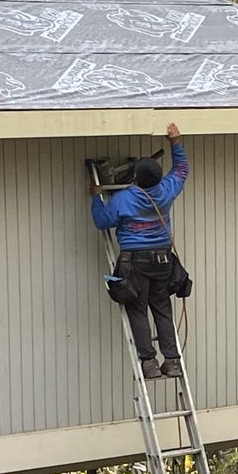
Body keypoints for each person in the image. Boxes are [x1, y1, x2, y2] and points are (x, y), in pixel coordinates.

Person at [90, 122, 188, 379]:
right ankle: (172, 361)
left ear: (135, 178)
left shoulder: (123, 199)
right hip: (163, 261)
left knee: (137, 308)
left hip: (135, 262)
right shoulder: (166, 191)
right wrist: (175, 142)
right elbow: (181, 170)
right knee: (161, 308)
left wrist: (96, 197)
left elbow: (102, 221)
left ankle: (149, 363)